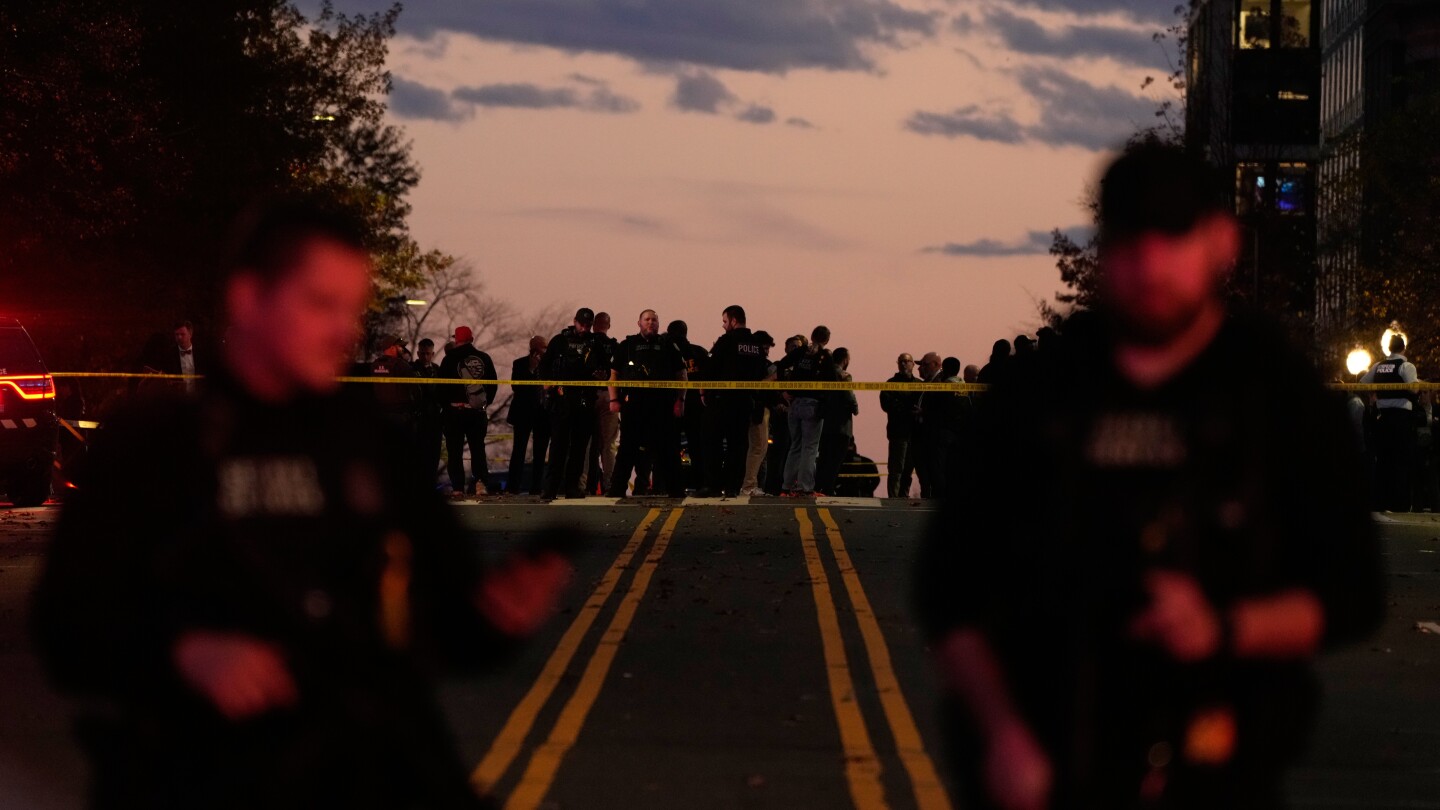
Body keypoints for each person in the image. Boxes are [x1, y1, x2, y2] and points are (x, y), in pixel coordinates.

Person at [30, 199, 572, 810]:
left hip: (369, 770)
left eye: (352, 309)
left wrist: (497, 616)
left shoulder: (372, 449)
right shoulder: (154, 445)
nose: (345, 331)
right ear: (248, 299)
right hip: (200, 771)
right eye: (320, 303)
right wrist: (184, 652)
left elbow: (444, 633)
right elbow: (66, 629)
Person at [915, 145, 1384, 810]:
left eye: (1174, 237)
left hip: (1223, 767)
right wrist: (1003, 733)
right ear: (1104, 250)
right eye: (1131, 240)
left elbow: (1352, 592)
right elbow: (948, 591)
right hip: (1052, 763)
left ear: (1222, 243)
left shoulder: (1277, 397)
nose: (1151, 265)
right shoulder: (1038, 396)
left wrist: (1222, 627)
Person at [607, 310, 686, 497]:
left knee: (668, 448)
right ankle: (617, 489)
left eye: (654, 320)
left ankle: (675, 490)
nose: (650, 323)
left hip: (662, 406)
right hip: (634, 406)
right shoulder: (627, 346)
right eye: (647, 320)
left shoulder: (668, 345)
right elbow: (614, 375)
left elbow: (682, 375)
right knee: (627, 448)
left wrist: (680, 400)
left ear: (659, 324)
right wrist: (614, 399)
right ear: (639, 323)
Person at [699, 305, 770, 498]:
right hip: (745, 402)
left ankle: (712, 486)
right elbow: (762, 372)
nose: (723, 326)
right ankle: (732, 487)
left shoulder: (726, 341)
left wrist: (704, 393)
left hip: (721, 401)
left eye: (724, 321)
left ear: (733, 320)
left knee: (711, 442)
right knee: (738, 446)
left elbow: (710, 367)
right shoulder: (755, 344)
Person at [540, 308, 607, 500]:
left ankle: (572, 487)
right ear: (575, 322)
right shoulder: (560, 341)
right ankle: (551, 488)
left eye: (588, 325)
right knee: (558, 446)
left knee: (579, 448)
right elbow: (545, 365)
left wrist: (602, 374)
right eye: (582, 324)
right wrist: (547, 383)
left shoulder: (595, 343)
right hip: (561, 400)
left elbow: (606, 368)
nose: (584, 328)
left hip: (585, 400)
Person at [1362, 333, 1421, 511]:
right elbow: (1414, 389)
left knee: (1383, 462)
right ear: (1404, 348)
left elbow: (1363, 382)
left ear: (1389, 349)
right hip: (1401, 420)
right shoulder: (1406, 366)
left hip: (1383, 419)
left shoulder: (1378, 366)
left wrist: (1376, 396)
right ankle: (1400, 503)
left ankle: (1381, 501)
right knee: (1401, 462)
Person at [777, 326, 836, 496]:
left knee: (795, 446)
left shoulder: (801, 351)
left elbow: (781, 365)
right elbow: (833, 383)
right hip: (813, 405)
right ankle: (804, 487)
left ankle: (786, 487)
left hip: (794, 404)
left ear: (811, 336)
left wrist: (783, 390)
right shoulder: (825, 356)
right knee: (810, 448)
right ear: (826, 340)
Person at [440, 325, 498, 499]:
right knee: (478, 449)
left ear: (456, 340)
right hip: (476, 412)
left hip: (454, 413)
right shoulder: (484, 358)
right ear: (471, 339)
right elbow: (493, 385)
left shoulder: (449, 359)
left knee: (455, 451)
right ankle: (480, 483)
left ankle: (458, 487)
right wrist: (484, 403)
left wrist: (446, 405)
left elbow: (440, 388)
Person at [666, 320, 708, 493]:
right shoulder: (699, 352)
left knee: (670, 445)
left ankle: (672, 485)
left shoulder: (666, 351)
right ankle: (700, 483)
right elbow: (707, 377)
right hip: (695, 404)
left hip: (672, 403)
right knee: (697, 446)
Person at [507, 336, 551, 495]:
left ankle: (536, 487)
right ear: (533, 348)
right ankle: (513, 487)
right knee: (519, 451)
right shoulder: (519, 364)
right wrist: (531, 370)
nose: (544, 350)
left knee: (540, 453)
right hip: (523, 413)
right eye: (541, 347)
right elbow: (516, 387)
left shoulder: (550, 364)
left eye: (545, 347)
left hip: (543, 413)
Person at [585, 312, 621, 495]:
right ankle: (609, 484)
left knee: (588, 444)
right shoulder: (615, 346)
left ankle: (587, 485)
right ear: (609, 325)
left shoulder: (586, 343)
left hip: (588, 396)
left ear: (593, 324)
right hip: (609, 396)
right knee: (608, 445)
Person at [816, 347, 859, 494]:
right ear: (845, 360)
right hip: (841, 424)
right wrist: (855, 408)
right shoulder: (844, 375)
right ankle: (828, 487)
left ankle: (818, 485)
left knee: (823, 456)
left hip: (824, 422)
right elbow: (849, 395)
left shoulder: (823, 374)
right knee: (835, 459)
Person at [739, 331, 777, 497]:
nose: (767, 352)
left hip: (759, 407)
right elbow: (758, 385)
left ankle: (751, 484)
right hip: (758, 408)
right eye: (765, 348)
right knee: (758, 446)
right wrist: (774, 377)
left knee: (760, 447)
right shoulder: (757, 364)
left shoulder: (749, 362)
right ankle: (749, 485)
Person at [881, 353, 921, 498]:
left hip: (915, 433)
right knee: (896, 468)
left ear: (912, 364)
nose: (904, 364)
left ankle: (903, 496)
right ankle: (894, 498)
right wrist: (908, 410)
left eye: (907, 361)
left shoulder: (920, 384)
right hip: (898, 432)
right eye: (901, 362)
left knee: (908, 469)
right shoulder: (890, 384)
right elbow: (887, 405)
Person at [368, 334, 419, 436]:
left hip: (380, 415)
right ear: (392, 348)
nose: (402, 349)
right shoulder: (402, 365)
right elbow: (416, 390)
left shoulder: (374, 365)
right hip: (400, 416)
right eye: (400, 347)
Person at [413, 338, 447, 485]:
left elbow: (442, 391)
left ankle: (429, 485)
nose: (425, 357)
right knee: (418, 454)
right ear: (418, 353)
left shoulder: (437, 369)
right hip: (418, 418)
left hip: (435, 418)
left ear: (433, 353)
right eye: (422, 354)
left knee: (434, 455)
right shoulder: (411, 370)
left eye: (428, 354)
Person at [913, 352, 943, 498]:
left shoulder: (941, 383)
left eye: (925, 365)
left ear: (936, 364)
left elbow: (942, 408)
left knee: (934, 467)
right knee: (922, 467)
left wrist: (924, 412)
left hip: (933, 433)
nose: (921, 369)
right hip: (921, 432)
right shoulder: (925, 384)